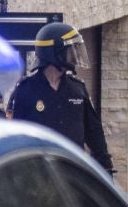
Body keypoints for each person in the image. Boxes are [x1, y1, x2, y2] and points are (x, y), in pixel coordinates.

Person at [6, 20, 113, 171]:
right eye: (71, 51)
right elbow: (13, 139)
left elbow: (95, 135)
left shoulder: (78, 89)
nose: (75, 57)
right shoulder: (25, 91)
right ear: (54, 53)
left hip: (73, 174)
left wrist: (106, 169)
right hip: (38, 174)